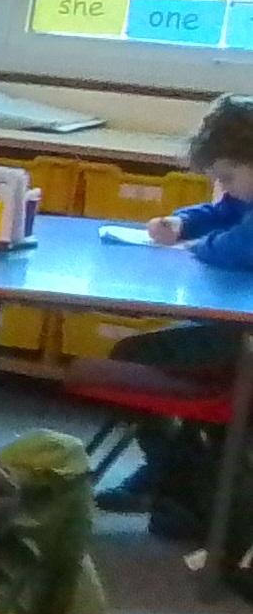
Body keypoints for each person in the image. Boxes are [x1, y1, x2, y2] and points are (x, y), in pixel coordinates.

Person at [96, 94, 253, 514]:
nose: (226, 186)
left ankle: (172, 472)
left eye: (228, 176)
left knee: (132, 356)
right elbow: (224, 211)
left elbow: (238, 246)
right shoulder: (245, 192)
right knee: (150, 354)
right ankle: (178, 475)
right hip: (235, 328)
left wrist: (198, 246)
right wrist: (183, 223)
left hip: (244, 341)